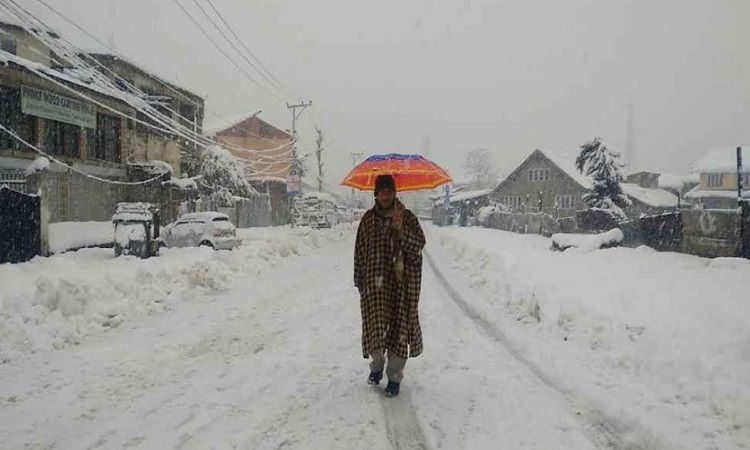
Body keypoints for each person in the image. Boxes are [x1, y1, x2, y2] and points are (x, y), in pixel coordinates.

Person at [354, 174, 426, 397]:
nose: (385, 194)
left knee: (398, 330)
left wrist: (401, 229)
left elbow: (419, 245)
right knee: (374, 328)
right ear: (376, 194)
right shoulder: (368, 219)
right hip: (374, 288)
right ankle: (376, 368)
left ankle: (394, 377)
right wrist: (359, 280)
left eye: (389, 190)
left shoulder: (406, 217)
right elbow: (359, 251)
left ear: (394, 192)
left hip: (400, 287)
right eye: (381, 190)